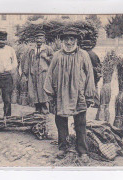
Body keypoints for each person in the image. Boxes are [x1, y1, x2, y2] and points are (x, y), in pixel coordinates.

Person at [44, 29, 95, 161]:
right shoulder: (57, 55)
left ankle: (82, 151)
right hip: (60, 95)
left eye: (72, 39)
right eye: (66, 39)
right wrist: (50, 94)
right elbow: (49, 74)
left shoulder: (83, 55)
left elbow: (90, 75)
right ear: (62, 41)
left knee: (80, 123)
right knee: (61, 122)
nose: (69, 42)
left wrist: (89, 95)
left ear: (76, 41)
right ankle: (63, 148)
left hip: (79, 95)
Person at [0, 31, 18, 118]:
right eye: (0, 40)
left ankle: (7, 118)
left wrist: (9, 71)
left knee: (7, 99)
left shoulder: (10, 50)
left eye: (3, 40)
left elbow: (15, 63)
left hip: (7, 77)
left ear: (6, 40)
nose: (1, 42)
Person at [24, 30, 54, 114]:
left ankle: (45, 109)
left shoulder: (48, 49)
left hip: (43, 74)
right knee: (34, 92)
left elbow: (53, 61)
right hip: (33, 74)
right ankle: (37, 109)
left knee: (43, 91)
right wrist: (25, 73)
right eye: (37, 38)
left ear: (44, 39)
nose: (39, 40)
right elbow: (27, 61)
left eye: (41, 38)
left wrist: (46, 58)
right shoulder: (31, 50)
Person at [81, 40, 102, 107]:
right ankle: (95, 102)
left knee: (92, 87)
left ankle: (96, 102)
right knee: (94, 86)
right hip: (95, 73)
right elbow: (98, 64)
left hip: (91, 73)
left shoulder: (85, 54)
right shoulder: (93, 54)